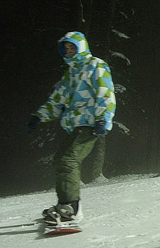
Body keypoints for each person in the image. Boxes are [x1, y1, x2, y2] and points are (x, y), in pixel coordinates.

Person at [27, 31, 116, 223]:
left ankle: (71, 208)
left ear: (81, 47)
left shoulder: (96, 65)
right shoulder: (70, 74)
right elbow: (56, 101)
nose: (69, 52)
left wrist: (103, 118)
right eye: (66, 49)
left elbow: (105, 93)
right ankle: (63, 205)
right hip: (74, 126)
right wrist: (38, 116)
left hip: (90, 124)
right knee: (60, 160)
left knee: (68, 160)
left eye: (72, 47)